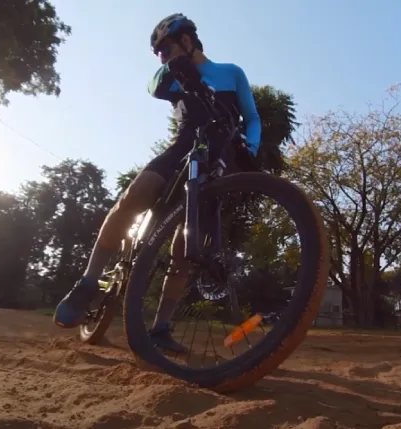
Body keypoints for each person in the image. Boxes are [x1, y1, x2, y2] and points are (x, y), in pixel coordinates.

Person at [52, 13, 261, 354]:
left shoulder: (231, 73)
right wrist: (172, 68)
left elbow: (251, 117)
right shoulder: (172, 74)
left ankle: (160, 327)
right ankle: (88, 282)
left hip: (217, 160)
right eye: (159, 54)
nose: (163, 57)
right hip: (182, 148)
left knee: (185, 249)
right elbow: (153, 86)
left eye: (166, 49)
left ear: (188, 41)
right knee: (134, 196)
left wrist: (250, 147)